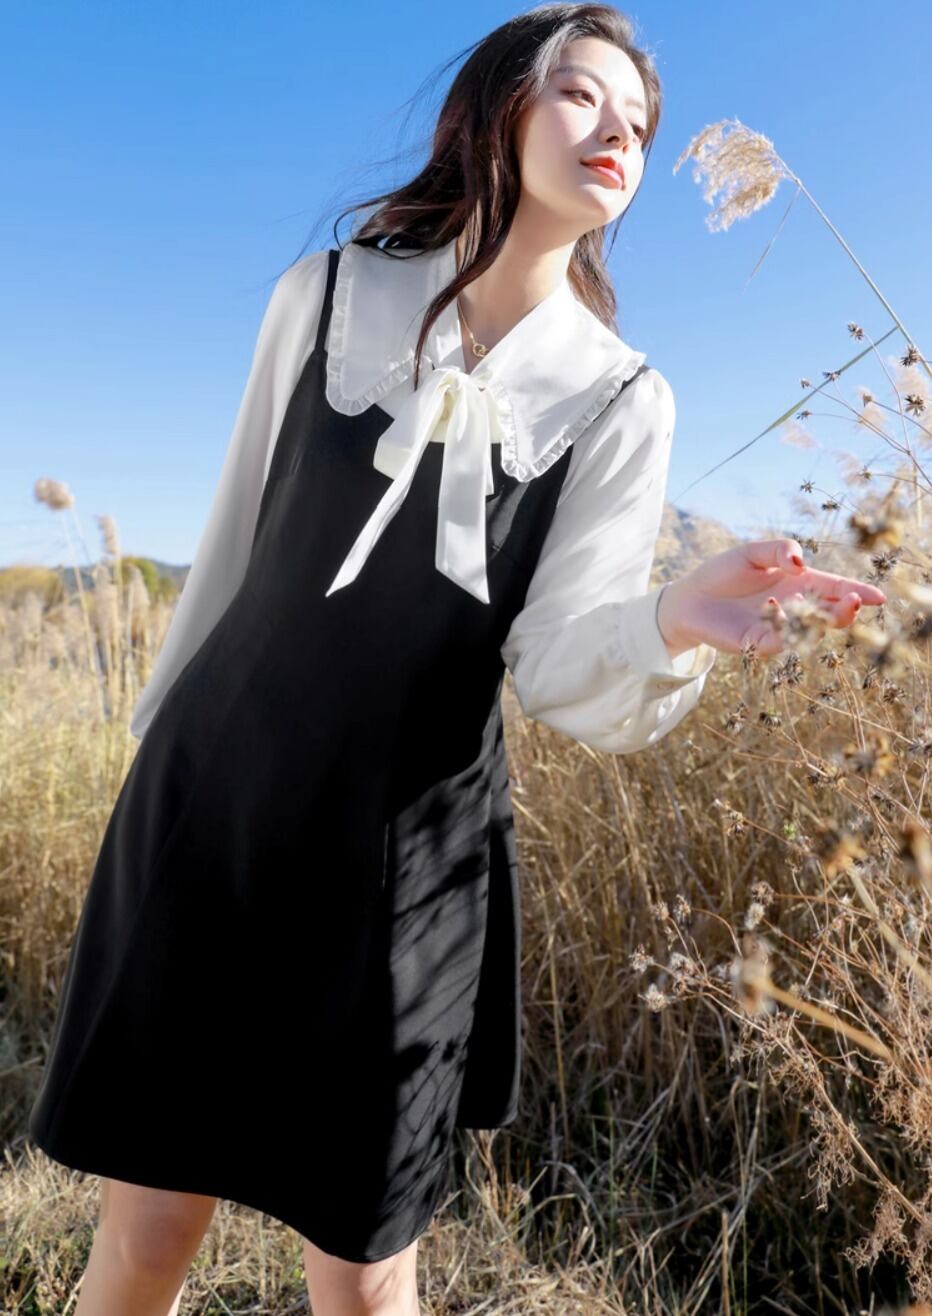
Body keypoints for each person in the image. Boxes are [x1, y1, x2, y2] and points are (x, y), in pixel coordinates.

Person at [26, 7, 885, 1315]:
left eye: (639, 124)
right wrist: (161, 767)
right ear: (500, 106)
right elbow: (228, 543)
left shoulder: (620, 396)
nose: (617, 133)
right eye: (583, 96)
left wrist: (670, 617)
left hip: (414, 852)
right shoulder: (324, 295)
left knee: (368, 1275)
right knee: (147, 1238)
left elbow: (556, 662)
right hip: (219, 804)